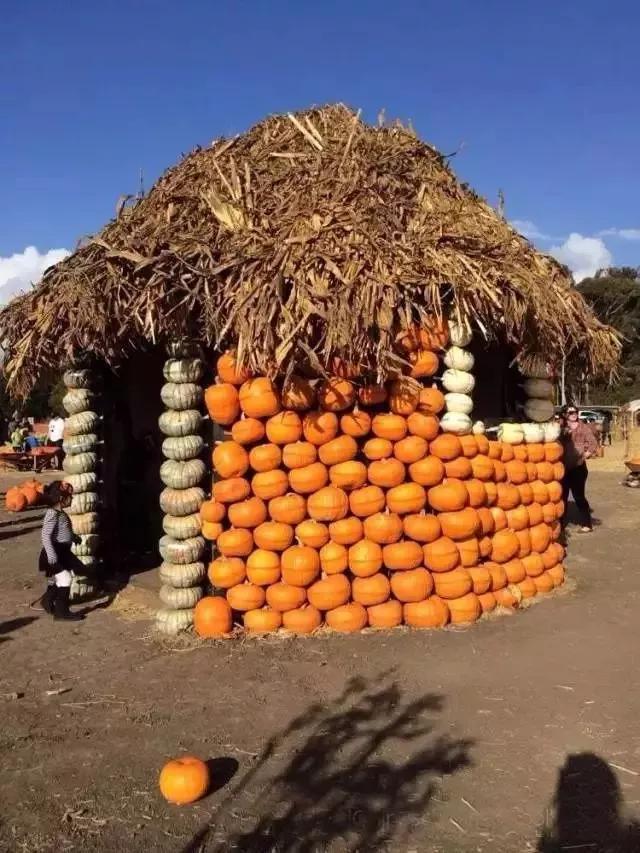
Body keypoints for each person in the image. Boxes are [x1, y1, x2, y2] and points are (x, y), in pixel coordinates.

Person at [37, 481, 84, 620]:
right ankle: (61, 613)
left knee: (61, 578)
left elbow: (63, 531)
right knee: (66, 578)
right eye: (70, 496)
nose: (72, 499)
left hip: (62, 552)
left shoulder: (60, 513)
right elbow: (46, 535)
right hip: (54, 553)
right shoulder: (53, 514)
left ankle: (47, 600)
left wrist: (73, 537)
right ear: (61, 499)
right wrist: (51, 554)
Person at [560, 405, 598, 533]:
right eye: (571, 412)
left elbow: (593, 443)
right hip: (563, 468)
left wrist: (586, 454)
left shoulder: (583, 427)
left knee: (579, 496)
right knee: (562, 497)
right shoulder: (560, 428)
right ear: (565, 414)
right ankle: (560, 525)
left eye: (575, 412)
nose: (574, 414)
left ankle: (587, 524)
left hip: (578, 468)